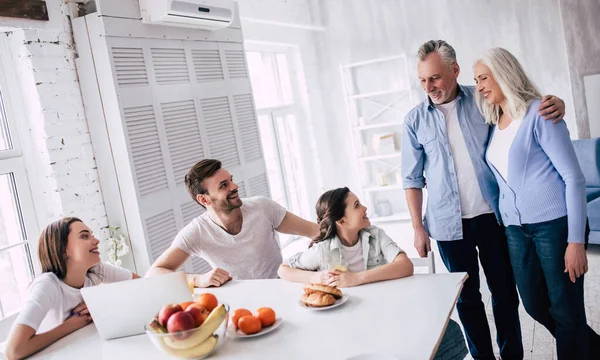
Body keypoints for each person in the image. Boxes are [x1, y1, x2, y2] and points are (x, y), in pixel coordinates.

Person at [401, 40, 566, 360]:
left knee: (505, 295)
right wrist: (417, 228)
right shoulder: (414, 120)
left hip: (494, 217)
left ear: (454, 70)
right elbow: (411, 179)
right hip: (448, 226)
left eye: (434, 78)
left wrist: (555, 102)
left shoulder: (482, 98)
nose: (428, 86)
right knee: (466, 300)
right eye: (422, 80)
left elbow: (522, 110)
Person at [474, 47, 600, 360]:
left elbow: (574, 179)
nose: (479, 86)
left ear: (504, 73)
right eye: (476, 80)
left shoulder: (541, 113)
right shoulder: (496, 121)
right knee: (533, 303)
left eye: (484, 77)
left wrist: (575, 241)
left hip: (554, 226)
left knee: (566, 309)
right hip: (517, 230)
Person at [279, 187, 467, 360]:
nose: (364, 208)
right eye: (357, 205)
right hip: (348, 327)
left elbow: (405, 266)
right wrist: (315, 277)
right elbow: (283, 270)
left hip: (387, 315)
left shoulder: (375, 235)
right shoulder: (323, 250)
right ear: (341, 220)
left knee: (448, 333)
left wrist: (356, 278)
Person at [146, 159, 319, 288]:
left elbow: (316, 231)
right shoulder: (196, 232)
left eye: (231, 180)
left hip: (280, 290)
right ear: (204, 199)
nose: (235, 186)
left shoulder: (262, 208)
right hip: (240, 307)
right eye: (223, 185)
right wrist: (198, 279)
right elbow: (154, 273)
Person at [5, 217, 139, 360]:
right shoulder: (47, 285)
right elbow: (14, 351)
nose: (96, 241)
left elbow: (142, 286)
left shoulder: (96, 270)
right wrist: (71, 325)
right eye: (84, 236)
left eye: (92, 235)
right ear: (63, 251)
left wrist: (100, 302)